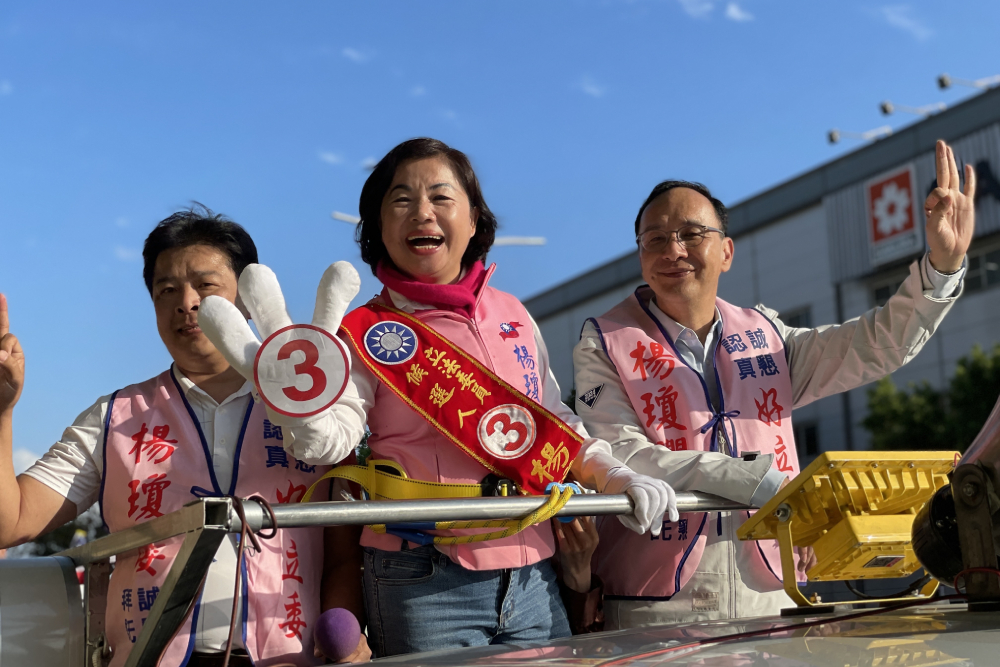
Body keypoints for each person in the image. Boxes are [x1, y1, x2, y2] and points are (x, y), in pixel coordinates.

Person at [200, 138, 678, 657]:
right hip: (422, 575)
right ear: (378, 228)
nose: (422, 213)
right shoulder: (361, 331)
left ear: (474, 220)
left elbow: (553, 423)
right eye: (401, 200)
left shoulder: (513, 312)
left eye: (441, 197)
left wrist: (618, 476)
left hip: (533, 571)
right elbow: (329, 440)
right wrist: (303, 410)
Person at [575, 140, 976, 628]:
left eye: (691, 233)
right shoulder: (605, 341)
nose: (673, 250)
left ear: (726, 251)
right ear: (640, 256)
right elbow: (621, 454)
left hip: (771, 590)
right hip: (653, 604)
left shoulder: (766, 337)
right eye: (655, 239)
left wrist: (941, 268)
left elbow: (876, 344)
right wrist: (752, 481)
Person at [0, 207, 339, 667]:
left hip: (287, 658)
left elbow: (344, 545)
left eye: (206, 285)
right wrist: (3, 410)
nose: (186, 302)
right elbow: (11, 522)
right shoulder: (112, 417)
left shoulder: (311, 407)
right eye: (166, 290)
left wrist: (346, 630)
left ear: (246, 296)